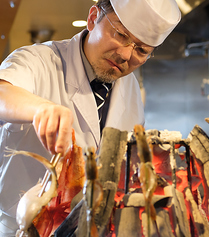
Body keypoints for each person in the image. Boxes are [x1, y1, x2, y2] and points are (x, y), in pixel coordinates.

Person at [0, 0, 181, 235]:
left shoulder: (130, 88)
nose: (125, 55)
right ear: (93, 17)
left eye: (142, 50)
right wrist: (40, 108)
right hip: (19, 228)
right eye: (121, 35)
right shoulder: (40, 60)